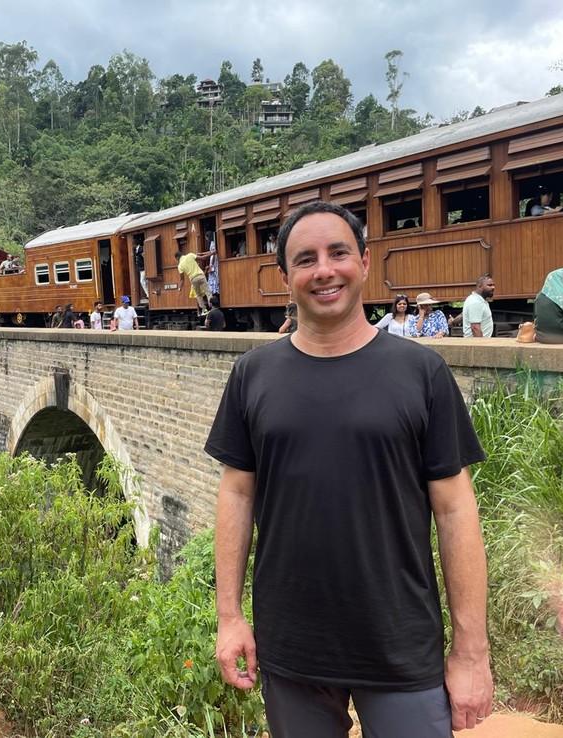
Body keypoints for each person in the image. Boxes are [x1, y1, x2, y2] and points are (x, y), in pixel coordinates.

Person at [207, 201, 492, 738]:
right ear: (285, 277)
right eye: (305, 259)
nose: (324, 270)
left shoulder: (421, 373)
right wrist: (229, 617)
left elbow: (456, 512)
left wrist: (471, 652)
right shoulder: (252, 375)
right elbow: (237, 495)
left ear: (363, 261)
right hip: (292, 647)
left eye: (338, 253)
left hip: (401, 644)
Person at [176, 249, 212, 314]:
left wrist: (179, 288)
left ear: (177, 258)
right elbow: (203, 258)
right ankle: (212, 306)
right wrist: (212, 253)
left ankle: (204, 310)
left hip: (193, 279)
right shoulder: (190, 255)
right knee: (208, 291)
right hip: (201, 276)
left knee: (198, 295)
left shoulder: (180, 266)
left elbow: (182, 279)